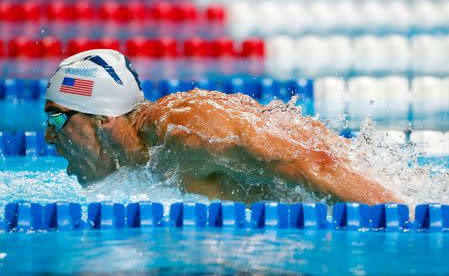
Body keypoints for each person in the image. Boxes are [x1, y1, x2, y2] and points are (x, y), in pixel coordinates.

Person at [45, 49, 402, 205]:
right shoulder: (147, 161)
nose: (49, 136)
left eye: (57, 117)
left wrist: (407, 221)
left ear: (102, 118)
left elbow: (317, 164)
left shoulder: (184, 132)